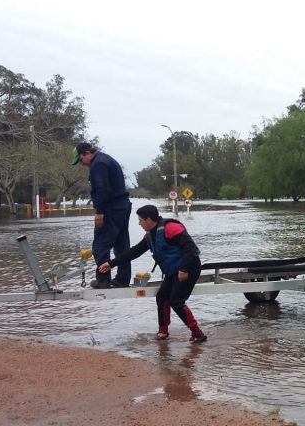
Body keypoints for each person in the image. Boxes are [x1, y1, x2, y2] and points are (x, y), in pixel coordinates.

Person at [98, 205, 207, 343]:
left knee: (176, 301)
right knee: (161, 297)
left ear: (149, 219)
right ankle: (163, 331)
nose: (139, 223)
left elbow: (190, 249)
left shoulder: (171, 228)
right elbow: (135, 251)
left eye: (140, 220)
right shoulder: (150, 235)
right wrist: (111, 263)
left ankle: (198, 333)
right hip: (173, 271)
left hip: (189, 267)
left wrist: (184, 270)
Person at [72, 142, 132, 289]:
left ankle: (103, 279)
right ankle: (122, 279)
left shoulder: (98, 164)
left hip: (111, 209)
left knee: (100, 246)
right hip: (123, 206)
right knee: (122, 246)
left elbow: (102, 188)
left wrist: (99, 212)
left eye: (80, 160)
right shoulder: (107, 159)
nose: (81, 164)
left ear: (87, 153)